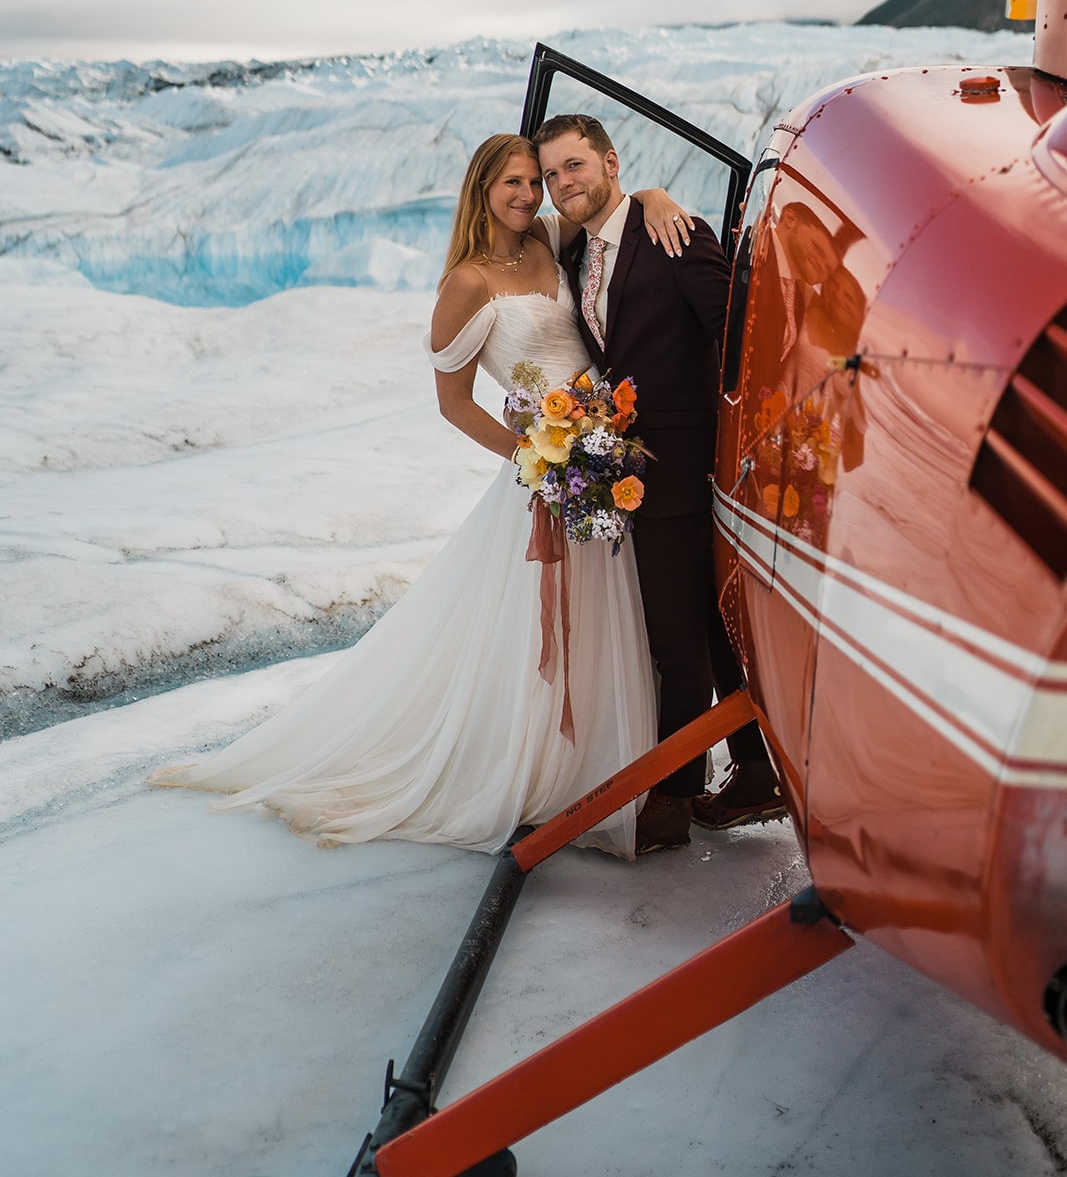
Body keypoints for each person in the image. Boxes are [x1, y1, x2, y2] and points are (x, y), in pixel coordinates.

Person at [148, 135, 689, 859]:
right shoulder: (466, 283)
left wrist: (654, 197)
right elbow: (455, 404)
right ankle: (552, 774)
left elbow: (611, 213)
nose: (528, 195)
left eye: (534, 181)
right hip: (548, 474)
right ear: (481, 190)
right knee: (544, 633)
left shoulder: (550, 242)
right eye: (512, 183)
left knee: (605, 624)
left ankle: (613, 773)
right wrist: (536, 459)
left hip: (597, 462)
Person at [534, 114, 785, 852]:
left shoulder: (674, 234)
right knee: (705, 631)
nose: (561, 184)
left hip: (685, 469)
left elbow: (736, 336)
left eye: (574, 166)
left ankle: (672, 802)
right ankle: (753, 771)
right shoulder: (577, 249)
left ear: (610, 161)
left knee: (674, 642)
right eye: (551, 174)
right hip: (630, 472)